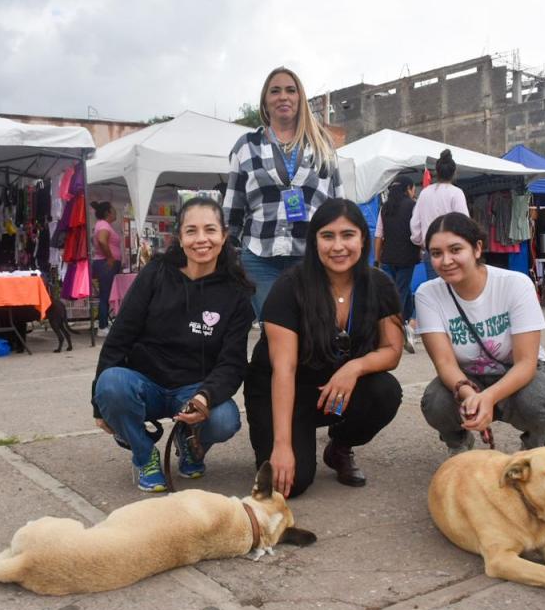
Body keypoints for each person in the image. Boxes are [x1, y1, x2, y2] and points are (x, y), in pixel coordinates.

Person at [92, 197, 255, 492]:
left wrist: (205, 397)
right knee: (111, 384)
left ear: (224, 236)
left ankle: (190, 442)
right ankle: (145, 456)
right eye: (191, 231)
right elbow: (120, 337)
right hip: (147, 385)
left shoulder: (236, 294)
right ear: (179, 237)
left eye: (210, 230)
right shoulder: (156, 274)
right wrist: (98, 406)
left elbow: (232, 363)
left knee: (225, 418)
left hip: (193, 390)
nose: (201, 239)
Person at [245, 199, 404, 498]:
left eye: (348, 235)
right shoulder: (290, 286)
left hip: (332, 389)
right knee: (289, 486)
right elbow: (284, 369)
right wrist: (281, 446)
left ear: (363, 239)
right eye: (327, 236)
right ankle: (281, 438)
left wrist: (353, 368)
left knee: (385, 391)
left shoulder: (380, 285)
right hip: (280, 389)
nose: (338, 246)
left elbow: (392, 351)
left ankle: (340, 446)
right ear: (314, 240)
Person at [416, 212, 545, 455]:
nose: (446, 260)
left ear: (477, 248)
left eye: (455, 249)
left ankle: (534, 447)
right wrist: (471, 396)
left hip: (519, 373)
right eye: (437, 253)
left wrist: (489, 397)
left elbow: (526, 362)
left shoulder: (515, 284)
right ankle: (458, 443)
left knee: (536, 400)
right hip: (467, 376)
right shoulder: (427, 294)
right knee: (435, 402)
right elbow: (445, 363)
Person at [224, 66, 343, 319]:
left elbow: (339, 207)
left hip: (311, 257)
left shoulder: (323, 144)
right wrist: (229, 259)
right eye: (275, 91)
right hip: (259, 257)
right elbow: (232, 210)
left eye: (290, 90)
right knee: (274, 331)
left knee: (312, 329)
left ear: (300, 99)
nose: (283, 96)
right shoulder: (246, 146)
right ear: (265, 102)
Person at [374, 175, 419, 352]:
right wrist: (421, 247)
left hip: (388, 258)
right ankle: (395, 333)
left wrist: (377, 260)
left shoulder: (385, 208)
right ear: (408, 188)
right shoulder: (412, 206)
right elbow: (417, 232)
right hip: (407, 258)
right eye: (413, 188)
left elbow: (378, 236)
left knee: (403, 291)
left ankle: (407, 323)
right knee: (399, 294)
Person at [409, 149, 468, 280]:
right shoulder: (456, 193)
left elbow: (414, 223)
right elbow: (464, 224)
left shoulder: (425, 193)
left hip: (432, 249)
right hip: (453, 250)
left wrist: (421, 243)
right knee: (454, 291)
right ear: (454, 173)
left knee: (436, 291)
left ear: (437, 172)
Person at [90, 201, 122, 336]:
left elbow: (99, 241)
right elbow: (102, 241)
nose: (116, 213)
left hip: (105, 263)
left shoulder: (103, 225)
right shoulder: (103, 225)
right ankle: (102, 326)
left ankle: (103, 323)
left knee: (106, 294)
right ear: (108, 212)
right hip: (105, 263)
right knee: (105, 294)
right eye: (113, 210)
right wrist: (109, 257)